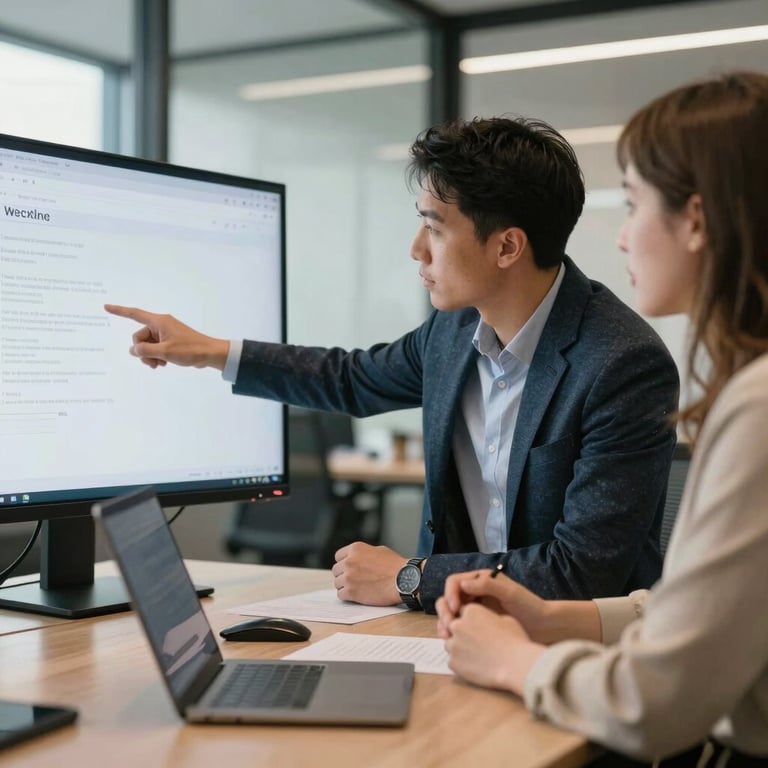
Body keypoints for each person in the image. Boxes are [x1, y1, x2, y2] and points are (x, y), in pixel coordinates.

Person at [105, 115, 678, 613]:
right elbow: (352, 378)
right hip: (456, 635)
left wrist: (409, 578)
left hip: (575, 656)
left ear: (507, 247)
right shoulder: (453, 332)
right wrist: (209, 351)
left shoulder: (622, 364)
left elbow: (582, 573)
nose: (416, 250)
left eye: (433, 227)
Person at [435, 72, 768, 765]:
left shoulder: (757, 405)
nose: (619, 240)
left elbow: (656, 702)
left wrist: (512, 660)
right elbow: (721, 613)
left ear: (698, 220)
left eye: (635, 204)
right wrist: (560, 619)